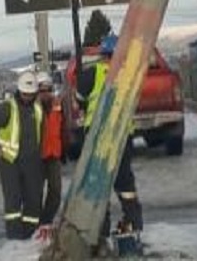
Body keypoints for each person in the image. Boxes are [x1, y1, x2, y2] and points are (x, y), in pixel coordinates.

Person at [75, 33, 143, 247]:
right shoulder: (129, 73)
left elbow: (79, 98)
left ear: (103, 54)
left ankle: (100, 230)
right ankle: (133, 222)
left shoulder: (92, 73)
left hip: (97, 135)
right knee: (124, 181)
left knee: (98, 182)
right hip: (123, 134)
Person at [0, 70, 44, 240]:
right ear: (19, 91)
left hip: (31, 163)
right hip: (10, 163)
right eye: (25, 94)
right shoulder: (6, 108)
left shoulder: (38, 110)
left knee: (33, 201)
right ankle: (15, 239)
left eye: (31, 94)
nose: (27, 97)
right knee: (13, 203)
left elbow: (42, 134)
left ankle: (29, 236)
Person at [35, 71, 66, 240]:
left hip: (54, 154)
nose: (45, 93)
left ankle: (46, 221)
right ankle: (36, 225)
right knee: (35, 193)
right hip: (37, 157)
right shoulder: (31, 109)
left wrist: (65, 150)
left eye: (47, 89)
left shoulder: (57, 105)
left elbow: (63, 128)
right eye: (41, 90)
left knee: (56, 191)